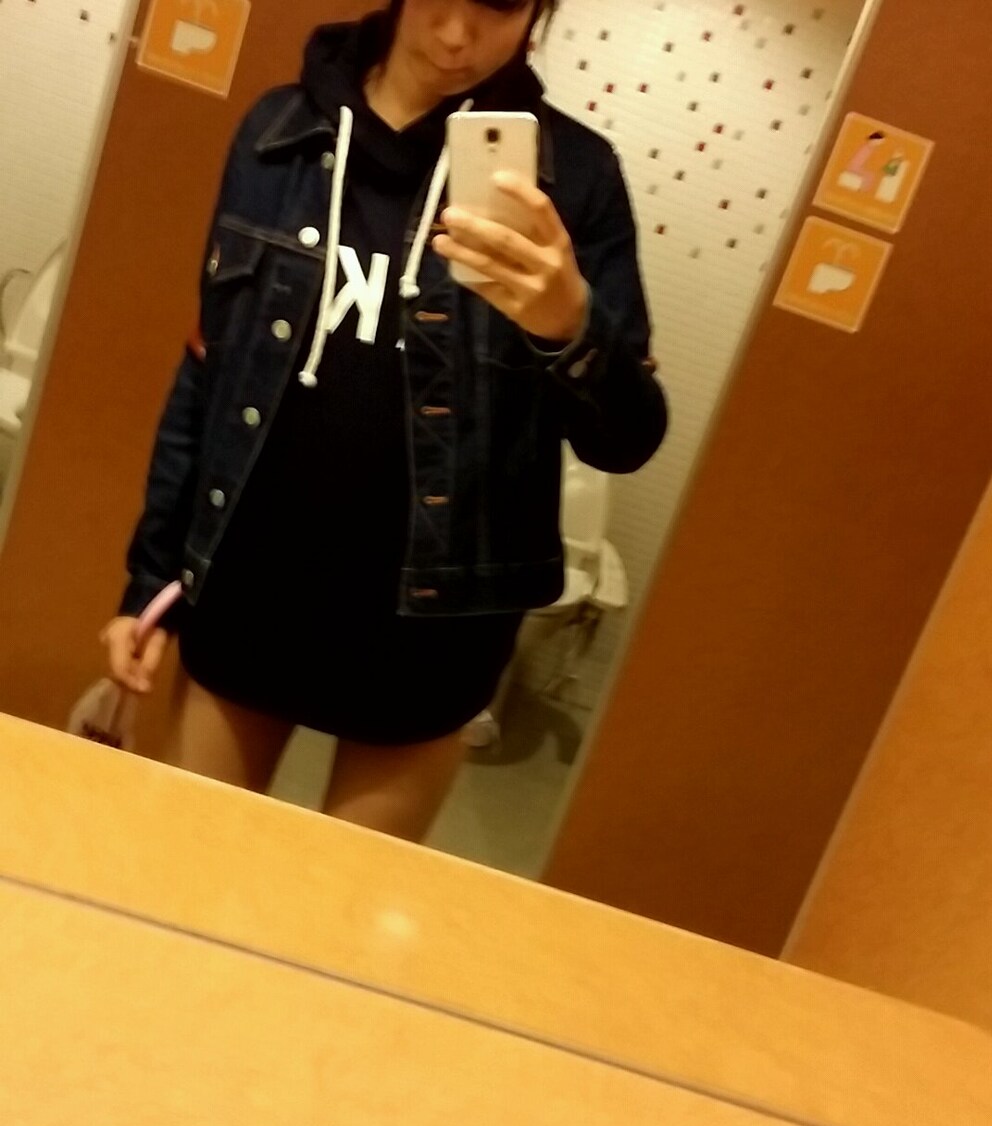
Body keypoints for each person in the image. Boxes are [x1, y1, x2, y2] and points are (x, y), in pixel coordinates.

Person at [102, 0, 668, 842]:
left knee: (348, 907)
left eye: (499, 7)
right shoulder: (278, 133)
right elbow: (206, 376)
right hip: (252, 589)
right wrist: (150, 585)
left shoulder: (575, 179)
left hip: (431, 637)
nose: (457, 36)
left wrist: (570, 324)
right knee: (183, 869)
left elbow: (626, 439)